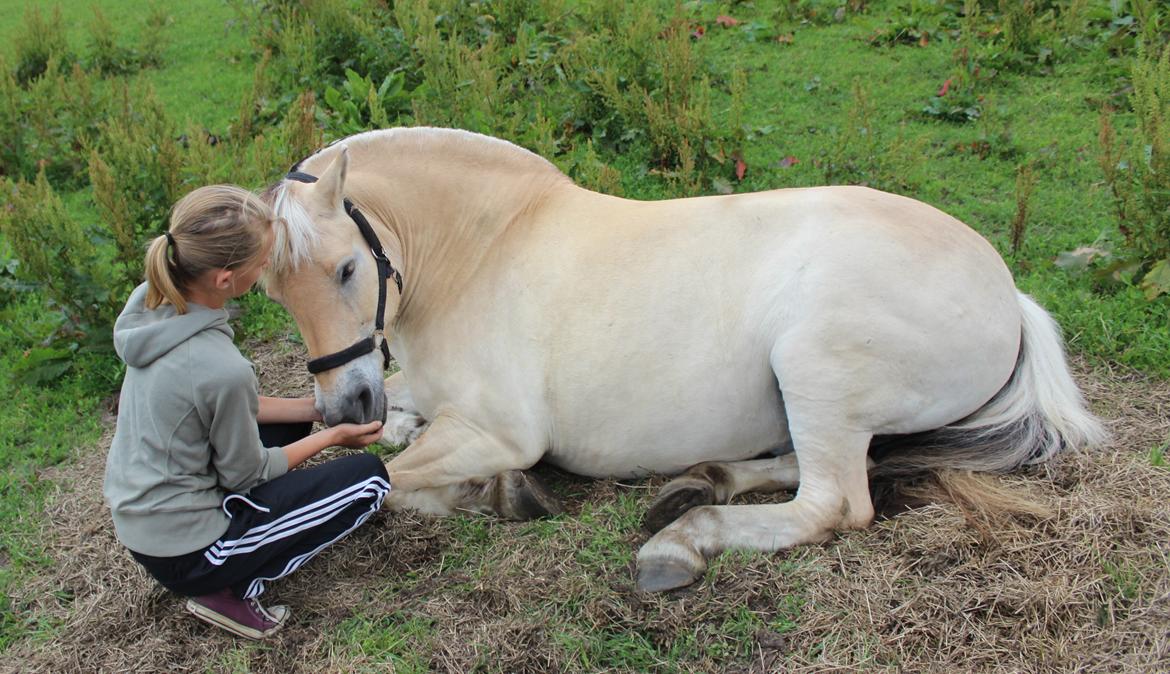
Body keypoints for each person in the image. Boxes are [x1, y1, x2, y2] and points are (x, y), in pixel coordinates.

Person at [103, 185, 389, 640]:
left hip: (148, 521)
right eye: (263, 262)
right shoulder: (220, 367)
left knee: (292, 421)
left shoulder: (156, 304)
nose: (266, 270)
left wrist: (314, 411)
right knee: (371, 479)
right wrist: (333, 438)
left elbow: (220, 404)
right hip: (192, 551)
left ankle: (223, 563)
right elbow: (248, 475)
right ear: (224, 279)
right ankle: (229, 587)